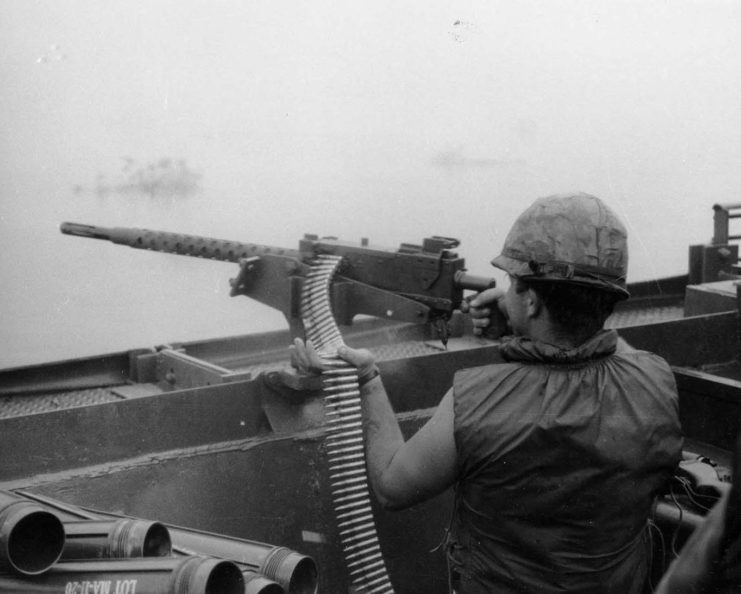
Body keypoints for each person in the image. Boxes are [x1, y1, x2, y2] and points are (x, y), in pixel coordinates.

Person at [292, 192, 683, 593]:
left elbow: (392, 484)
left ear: (531, 300)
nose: (507, 290)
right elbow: (607, 347)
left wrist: (369, 380)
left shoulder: (474, 400)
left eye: (513, 283)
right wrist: (530, 325)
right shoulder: (655, 378)